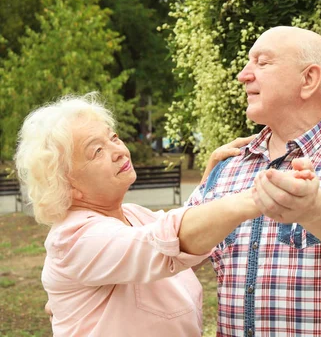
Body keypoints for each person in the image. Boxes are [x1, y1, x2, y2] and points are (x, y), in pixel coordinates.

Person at [187, 26, 321, 336]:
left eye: (262, 62)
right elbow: (176, 250)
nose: (244, 75)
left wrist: (312, 207)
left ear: (308, 80)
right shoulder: (227, 167)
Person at [15, 93, 264, 336]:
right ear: (68, 185)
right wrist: (256, 197)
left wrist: (208, 183)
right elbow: (162, 244)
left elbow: (182, 243)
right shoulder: (73, 240)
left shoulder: (133, 216)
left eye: (113, 137)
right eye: (97, 151)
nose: (119, 151)